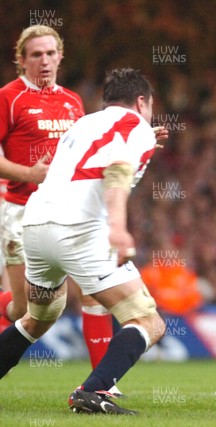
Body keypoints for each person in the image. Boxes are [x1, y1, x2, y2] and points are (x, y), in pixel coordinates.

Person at [0, 68, 166, 415]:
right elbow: (117, 171)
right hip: (79, 231)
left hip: (36, 225)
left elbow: (95, 156)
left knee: (39, 318)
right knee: (147, 320)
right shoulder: (136, 128)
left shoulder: (81, 124)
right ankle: (93, 391)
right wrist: (119, 228)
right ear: (141, 101)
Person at [0, 25, 117, 378]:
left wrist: (141, 139)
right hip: (21, 212)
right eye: (36, 55)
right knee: (31, 310)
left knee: (96, 291)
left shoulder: (72, 101)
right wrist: (28, 173)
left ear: (60, 56)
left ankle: (102, 387)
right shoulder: (9, 97)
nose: (45, 61)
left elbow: (83, 156)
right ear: (21, 60)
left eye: (51, 54)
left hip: (66, 214)